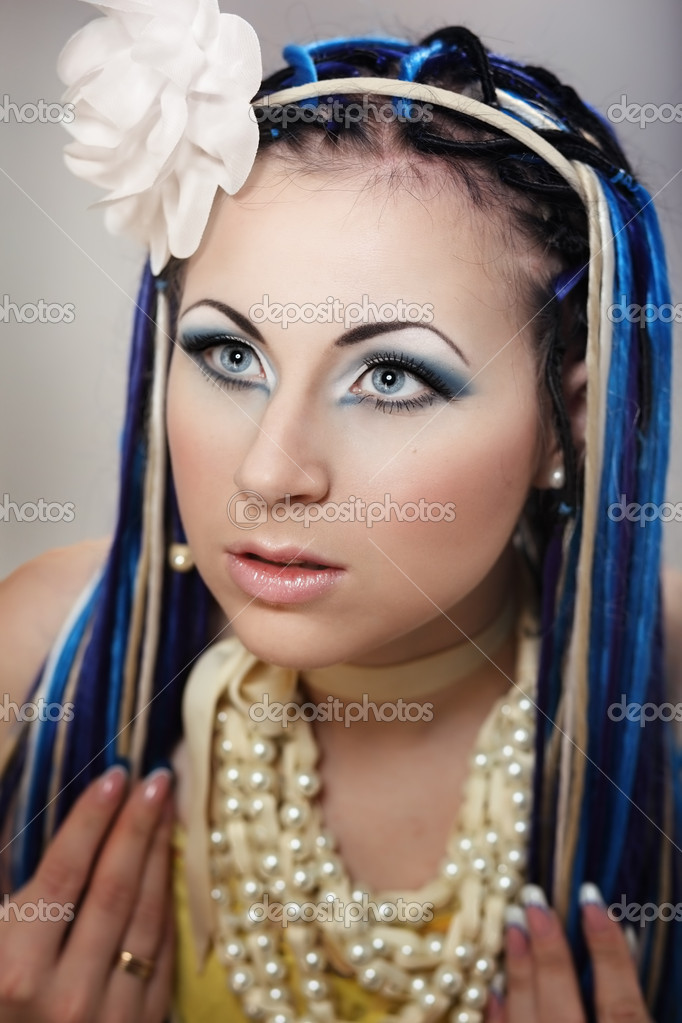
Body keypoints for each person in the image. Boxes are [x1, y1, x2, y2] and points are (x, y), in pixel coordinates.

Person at [0, 2, 680, 1021]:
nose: (272, 472)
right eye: (230, 356)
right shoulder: (40, 655)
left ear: (566, 420)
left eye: (394, 377)